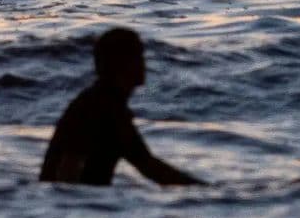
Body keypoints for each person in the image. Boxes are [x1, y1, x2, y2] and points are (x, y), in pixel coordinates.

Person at [39, 27, 201, 186]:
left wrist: (202, 189)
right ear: (122, 63)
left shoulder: (107, 104)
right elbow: (68, 168)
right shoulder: (98, 107)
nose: (144, 64)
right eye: (138, 57)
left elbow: (148, 165)